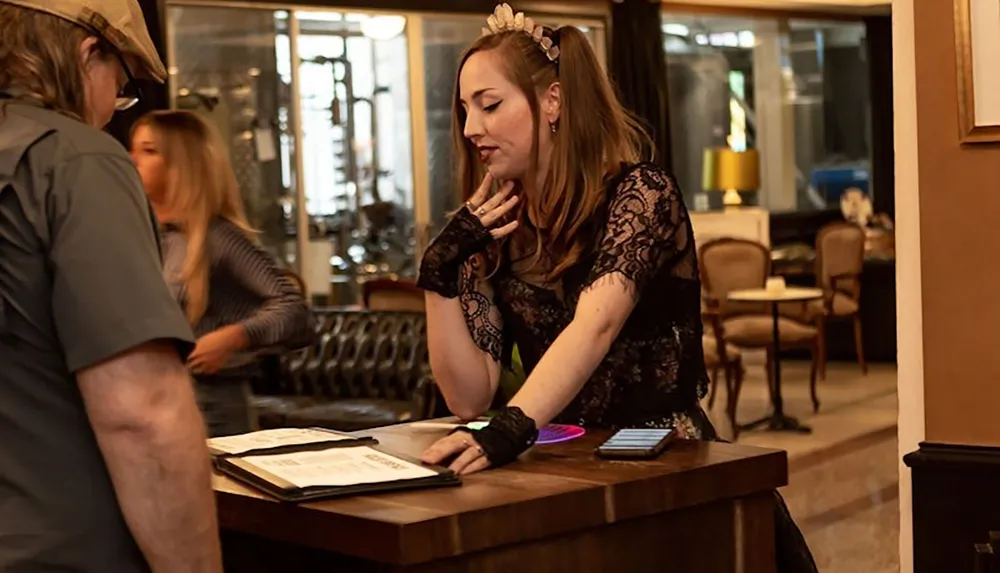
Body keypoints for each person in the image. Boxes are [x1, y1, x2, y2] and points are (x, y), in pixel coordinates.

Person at [416, 4, 817, 572]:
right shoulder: (498, 226)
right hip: (561, 467)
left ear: (551, 101)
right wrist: (439, 274)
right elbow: (469, 397)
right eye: (464, 110)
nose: (471, 128)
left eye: (490, 105)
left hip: (663, 465)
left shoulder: (641, 195)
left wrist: (508, 430)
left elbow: (596, 323)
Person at [0, 1, 222, 572]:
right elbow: (141, 410)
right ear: (86, 54)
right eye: (118, 88)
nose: (109, 115)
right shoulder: (75, 160)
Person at [130, 109, 315, 437]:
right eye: (133, 148)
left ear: (180, 164)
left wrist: (234, 337)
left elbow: (294, 310)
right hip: (148, 401)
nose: (132, 159)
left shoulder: (218, 238)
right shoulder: (141, 234)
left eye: (148, 150)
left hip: (211, 407)